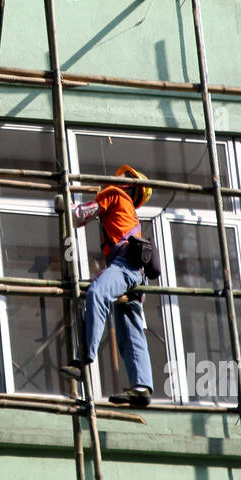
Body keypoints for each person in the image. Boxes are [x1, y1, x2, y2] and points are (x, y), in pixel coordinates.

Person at [66, 164, 155, 407]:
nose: (115, 177)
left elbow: (80, 215)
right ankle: (141, 387)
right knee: (130, 327)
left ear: (129, 184)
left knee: (97, 293)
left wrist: (62, 203)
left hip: (125, 265)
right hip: (136, 272)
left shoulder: (114, 193)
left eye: (122, 176)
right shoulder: (128, 208)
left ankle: (84, 358)